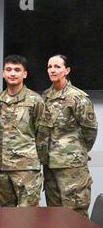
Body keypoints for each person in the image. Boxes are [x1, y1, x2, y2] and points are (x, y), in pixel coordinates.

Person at [42, 54, 98, 217]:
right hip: (51, 164)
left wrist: (79, 150)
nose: (52, 70)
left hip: (72, 166)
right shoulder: (46, 96)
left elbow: (90, 129)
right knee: (55, 214)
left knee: (75, 213)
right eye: (49, 67)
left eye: (57, 67)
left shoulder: (77, 97)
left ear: (67, 70)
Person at [0, 55, 51, 207]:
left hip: (26, 170)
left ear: (24, 74)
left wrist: (37, 162)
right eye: (9, 70)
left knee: (27, 218)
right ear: (3, 73)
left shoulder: (35, 100)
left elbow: (43, 135)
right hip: (1, 169)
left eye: (17, 70)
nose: (12, 73)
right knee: (2, 218)